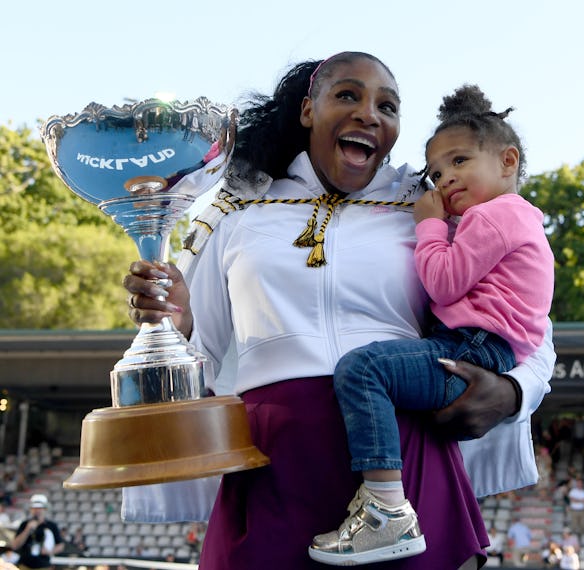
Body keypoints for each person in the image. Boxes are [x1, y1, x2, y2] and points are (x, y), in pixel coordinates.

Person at [123, 51, 555, 569]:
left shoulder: (432, 207)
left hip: (405, 459)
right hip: (271, 460)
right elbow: (201, 347)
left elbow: (526, 314)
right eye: (347, 95)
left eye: (388, 106)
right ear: (308, 110)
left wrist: (512, 391)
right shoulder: (237, 209)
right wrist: (174, 323)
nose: (369, 114)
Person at [311, 84, 554, 564]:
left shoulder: (493, 217)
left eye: (460, 162)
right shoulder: (516, 217)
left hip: (473, 347)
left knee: (363, 371)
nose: (444, 181)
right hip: (484, 346)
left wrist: (429, 224)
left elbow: (443, 283)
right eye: (437, 172)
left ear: (508, 162)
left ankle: (385, 511)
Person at [11, 494, 64, 570]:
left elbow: (60, 545)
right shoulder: (25, 524)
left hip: (43, 565)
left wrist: (49, 551)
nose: (37, 511)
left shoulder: (51, 526)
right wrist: (27, 529)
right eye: (34, 508)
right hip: (25, 565)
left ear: (45, 509)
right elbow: (15, 545)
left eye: (39, 508)